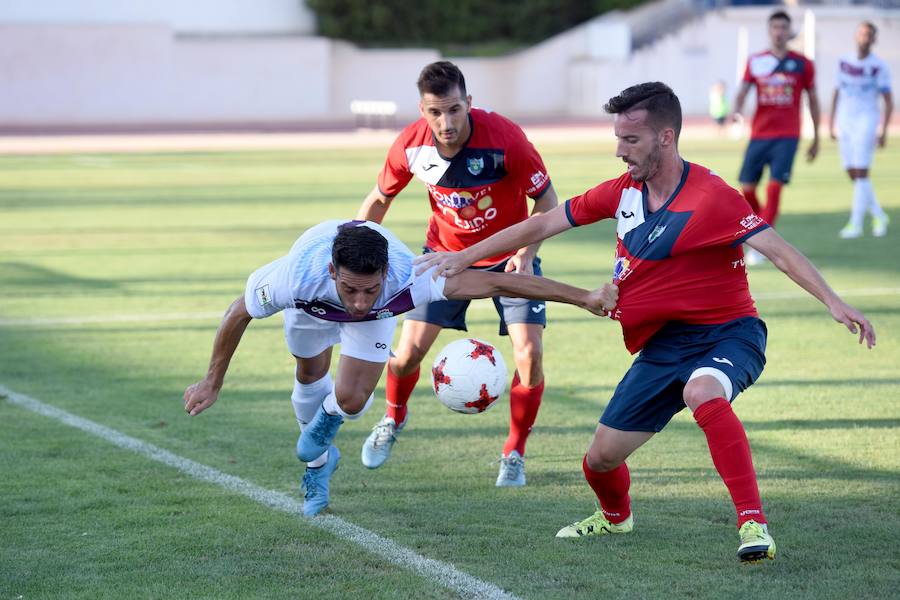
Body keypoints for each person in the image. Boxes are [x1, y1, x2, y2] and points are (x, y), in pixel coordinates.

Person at [417, 82, 876, 562]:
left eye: (630, 141)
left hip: (729, 333)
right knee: (599, 459)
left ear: (666, 138)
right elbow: (542, 224)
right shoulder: (622, 193)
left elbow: (779, 252)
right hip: (661, 347)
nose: (619, 151)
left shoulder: (712, 197)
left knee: (702, 392)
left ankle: (753, 524)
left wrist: (833, 301)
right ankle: (616, 519)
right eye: (618, 139)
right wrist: (466, 255)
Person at [183, 220, 617, 517]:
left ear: (387, 273)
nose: (358, 301)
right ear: (332, 270)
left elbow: (499, 281)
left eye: (369, 289)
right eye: (350, 288)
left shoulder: (411, 277)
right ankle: (318, 469)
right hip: (312, 311)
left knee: (351, 401)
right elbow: (238, 312)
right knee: (310, 374)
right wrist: (212, 380)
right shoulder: (293, 278)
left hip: (377, 320)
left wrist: (582, 297)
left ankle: (328, 422)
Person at [356, 61, 559, 487]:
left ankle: (514, 453)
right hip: (444, 257)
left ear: (469, 103)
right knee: (407, 352)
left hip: (508, 257)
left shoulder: (506, 141)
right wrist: (357, 250)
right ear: (422, 110)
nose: (445, 122)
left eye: (453, 110)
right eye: (435, 112)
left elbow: (547, 203)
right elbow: (378, 200)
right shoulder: (410, 146)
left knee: (530, 355)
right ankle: (392, 419)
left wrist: (526, 250)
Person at [733, 10, 820, 264]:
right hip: (759, 134)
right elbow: (743, 90)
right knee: (747, 188)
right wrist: (737, 109)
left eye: (783, 27)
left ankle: (759, 246)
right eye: (775, 27)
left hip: (787, 135)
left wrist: (815, 137)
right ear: (769, 31)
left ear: (789, 31)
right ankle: (765, 228)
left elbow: (813, 100)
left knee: (774, 188)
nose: (779, 32)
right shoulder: (756, 61)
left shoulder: (802, 64)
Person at [830, 21, 893, 239]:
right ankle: (878, 213)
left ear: (874, 39)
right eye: (862, 34)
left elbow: (888, 99)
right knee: (853, 173)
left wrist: (883, 130)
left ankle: (855, 223)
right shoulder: (844, 61)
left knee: (862, 172)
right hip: (845, 119)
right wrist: (831, 122)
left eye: (869, 35)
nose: (864, 38)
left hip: (867, 119)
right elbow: (837, 91)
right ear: (856, 36)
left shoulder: (880, 66)